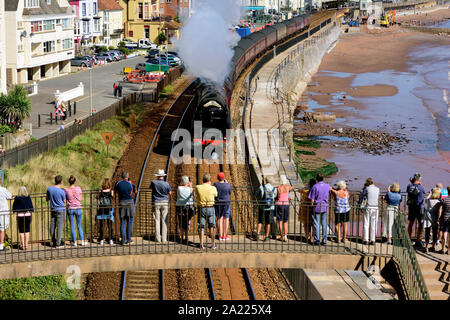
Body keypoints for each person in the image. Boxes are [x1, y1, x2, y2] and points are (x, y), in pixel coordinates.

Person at [195, 173, 218, 249]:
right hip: (211, 208)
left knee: (201, 226)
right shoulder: (213, 188)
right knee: (212, 226)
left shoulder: (198, 187)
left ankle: (201, 244)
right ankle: (213, 244)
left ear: (203, 180)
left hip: (202, 208)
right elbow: (216, 195)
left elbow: (195, 195)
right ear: (210, 180)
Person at [308, 173, 330, 245]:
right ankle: (324, 240)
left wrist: (311, 206)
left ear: (317, 179)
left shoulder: (315, 187)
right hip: (325, 206)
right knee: (324, 224)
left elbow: (312, 199)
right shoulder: (327, 186)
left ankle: (317, 240)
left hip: (317, 206)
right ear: (323, 179)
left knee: (316, 224)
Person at [150, 169, 172, 243]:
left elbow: (150, 188)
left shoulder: (153, 182)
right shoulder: (167, 184)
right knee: (164, 220)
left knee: (157, 220)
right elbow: (170, 193)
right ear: (163, 176)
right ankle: (164, 239)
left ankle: (158, 238)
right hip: (165, 202)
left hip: (156, 202)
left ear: (158, 176)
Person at [115, 172, 136, 245]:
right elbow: (134, 191)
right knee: (130, 221)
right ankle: (128, 239)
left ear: (121, 176)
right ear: (128, 176)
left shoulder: (118, 183)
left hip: (122, 203)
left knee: (123, 221)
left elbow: (116, 192)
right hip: (130, 203)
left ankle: (123, 240)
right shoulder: (131, 184)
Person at [65, 175, 86, 246]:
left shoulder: (67, 190)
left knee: (72, 225)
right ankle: (82, 241)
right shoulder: (78, 188)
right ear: (75, 181)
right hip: (78, 208)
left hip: (70, 208)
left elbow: (66, 199)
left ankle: (74, 242)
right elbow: (81, 199)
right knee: (79, 225)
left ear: (69, 182)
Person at [46, 175, 66, 248]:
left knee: (53, 226)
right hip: (60, 210)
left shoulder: (49, 189)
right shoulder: (62, 191)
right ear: (61, 181)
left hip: (53, 209)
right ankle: (58, 243)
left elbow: (47, 199)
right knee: (60, 227)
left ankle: (53, 241)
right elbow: (64, 201)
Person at [255, 176, 277, 242]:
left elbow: (256, 195)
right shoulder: (274, 189)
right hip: (270, 207)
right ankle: (266, 236)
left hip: (262, 206)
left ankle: (257, 235)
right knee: (268, 222)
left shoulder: (262, 187)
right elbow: (275, 196)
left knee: (260, 221)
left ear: (266, 181)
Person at [406, 173, 426, 247]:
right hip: (420, 207)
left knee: (411, 223)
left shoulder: (409, 186)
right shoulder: (421, 187)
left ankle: (409, 239)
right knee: (420, 224)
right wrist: (419, 184)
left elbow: (409, 189)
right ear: (419, 179)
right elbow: (424, 192)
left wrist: (412, 182)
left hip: (411, 207)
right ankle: (418, 240)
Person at [213, 172, 232, 241]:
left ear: (218, 178)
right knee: (226, 218)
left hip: (218, 203)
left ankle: (220, 236)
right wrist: (226, 183)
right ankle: (225, 235)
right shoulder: (228, 185)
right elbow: (230, 193)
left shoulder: (215, 185)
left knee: (219, 218)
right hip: (226, 203)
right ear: (224, 178)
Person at [175, 176, 194, 244]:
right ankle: (186, 236)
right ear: (188, 182)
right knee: (187, 221)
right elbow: (192, 194)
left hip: (180, 206)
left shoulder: (179, 188)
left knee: (181, 221)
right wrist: (191, 186)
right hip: (188, 207)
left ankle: (182, 236)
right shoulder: (190, 189)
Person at [275, 175, 294, 242]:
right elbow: (293, 186)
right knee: (285, 221)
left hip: (279, 204)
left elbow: (276, 196)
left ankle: (281, 235)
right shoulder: (288, 187)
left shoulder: (278, 188)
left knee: (280, 221)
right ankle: (285, 236)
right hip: (286, 204)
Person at [361, 178, 380, 245]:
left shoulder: (367, 188)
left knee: (366, 223)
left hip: (368, 207)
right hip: (375, 207)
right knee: (374, 224)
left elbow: (363, 195)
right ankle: (373, 239)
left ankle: (366, 239)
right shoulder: (377, 189)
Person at [97, 178, 115, 245]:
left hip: (102, 209)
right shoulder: (111, 191)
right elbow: (113, 198)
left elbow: (98, 198)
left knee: (102, 224)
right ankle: (110, 239)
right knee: (109, 224)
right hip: (109, 209)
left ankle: (101, 239)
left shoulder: (100, 191)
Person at [424, 187, 441, 253]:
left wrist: (430, 194)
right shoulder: (439, 202)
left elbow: (425, 199)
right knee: (435, 232)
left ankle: (426, 247)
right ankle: (433, 247)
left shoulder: (429, 200)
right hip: (435, 218)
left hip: (428, 217)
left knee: (427, 232)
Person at [299, 179, 316, 244]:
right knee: (311, 223)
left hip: (305, 208)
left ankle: (307, 236)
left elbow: (299, 190)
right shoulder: (314, 191)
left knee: (306, 223)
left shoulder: (306, 191)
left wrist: (305, 186)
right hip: (312, 208)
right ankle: (311, 237)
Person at [0, 177, 12, 251]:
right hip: (2, 212)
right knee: (2, 229)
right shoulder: (3, 190)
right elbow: (10, 196)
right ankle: (1, 246)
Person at [438, 186, 450, 254]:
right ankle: (449, 250)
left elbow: (440, 210)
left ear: (447, 191)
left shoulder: (444, 199)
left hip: (444, 218)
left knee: (444, 234)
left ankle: (442, 249)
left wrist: (439, 218)